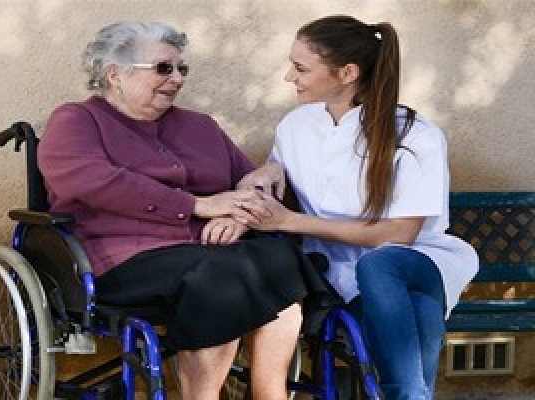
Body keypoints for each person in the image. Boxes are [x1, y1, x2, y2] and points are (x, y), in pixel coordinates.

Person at [38, 21, 329, 400]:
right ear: (115, 74)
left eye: (181, 69)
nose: (176, 79)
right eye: (163, 68)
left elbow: (247, 184)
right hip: (125, 259)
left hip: (213, 256)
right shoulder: (76, 120)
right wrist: (198, 205)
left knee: (277, 257)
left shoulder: (200, 126)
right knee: (227, 275)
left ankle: (268, 394)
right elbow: (90, 180)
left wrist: (237, 214)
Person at [241, 15, 479, 399]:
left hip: (415, 261)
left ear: (347, 72)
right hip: (336, 276)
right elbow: (276, 169)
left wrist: (294, 221)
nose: (289, 77)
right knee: (419, 310)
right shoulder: (295, 127)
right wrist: (264, 172)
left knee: (381, 263)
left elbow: (400, 235)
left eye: (301, 68)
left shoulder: (415, 134)